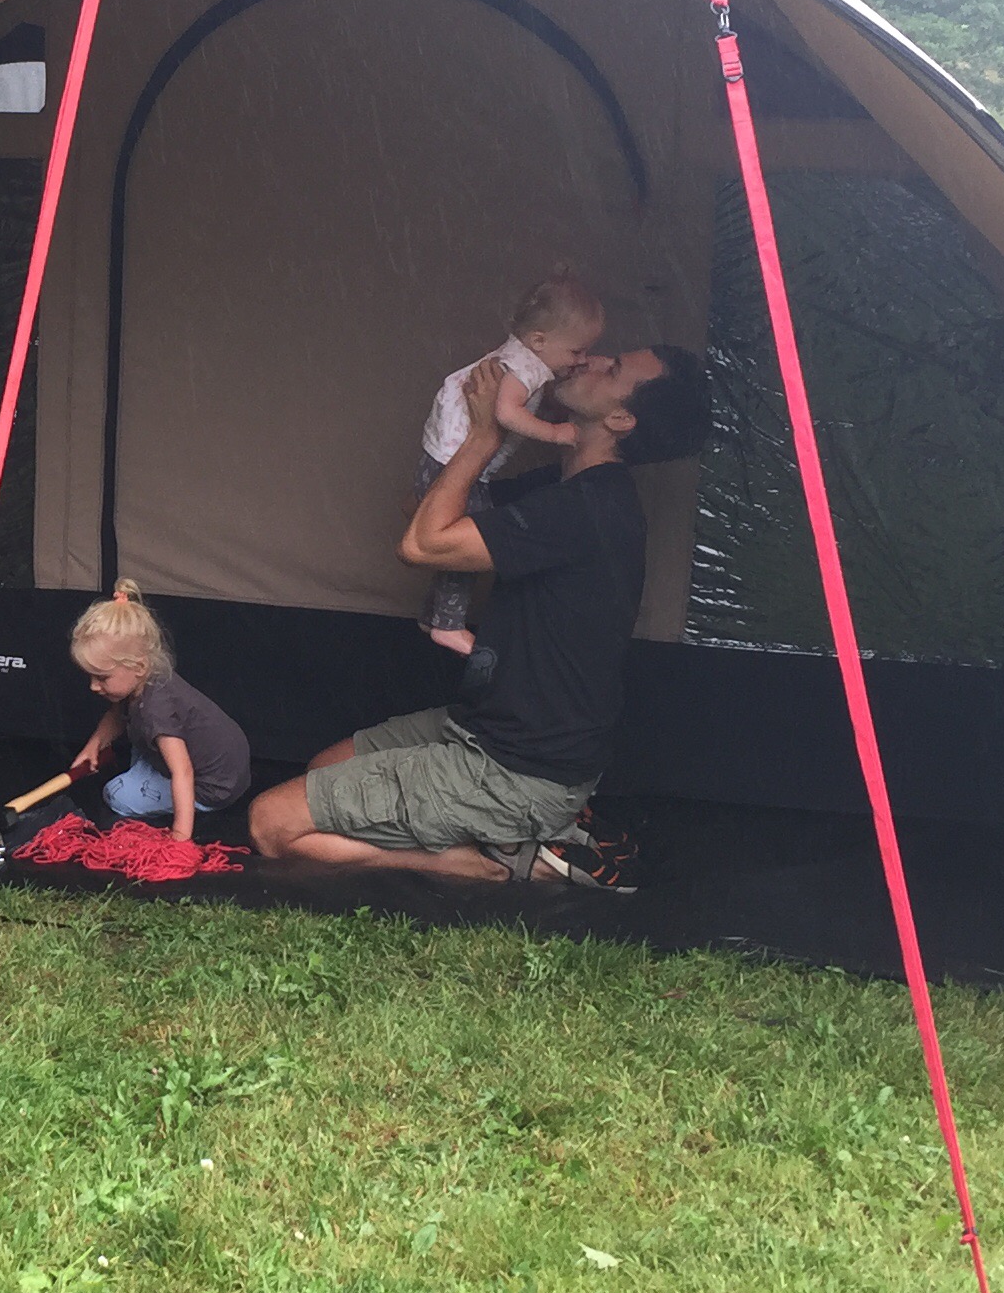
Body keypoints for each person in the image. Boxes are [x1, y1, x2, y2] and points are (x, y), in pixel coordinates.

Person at [248, 341, 711, 887]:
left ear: (620, 419)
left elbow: (422, 546)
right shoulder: (564, 486)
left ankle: (480, 860)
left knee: (270, 824)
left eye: (611, 370)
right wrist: (467, 425)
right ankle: (519, 833)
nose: (589, 360)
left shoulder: (587, 508)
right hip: (483, 728)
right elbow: (422, 510)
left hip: (519, 769)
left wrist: (485, 437)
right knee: (325, 769)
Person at [412, 273, 606, 658]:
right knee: (464, 543)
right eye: (576, 352)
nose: (582, 361)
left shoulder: (521, 358)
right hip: (454, 464)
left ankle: (432, 614)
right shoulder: (523, 367)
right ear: (539, 341)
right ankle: (447, 624)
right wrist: (554, 433)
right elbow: (505, 413)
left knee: (453, 540)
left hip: (438, 459)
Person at [66, 582, 252, 842]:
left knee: (116, 795)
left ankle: (164, 790)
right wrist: (94, 745)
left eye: (102, 678)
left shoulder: (157, 711)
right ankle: (149, 771)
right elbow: (118, 713)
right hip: (229, 765)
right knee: (139, 733)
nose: (93, 686)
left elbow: (183, 772)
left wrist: (181, 836)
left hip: (213, 788)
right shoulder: (147, 678)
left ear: (139, 666)